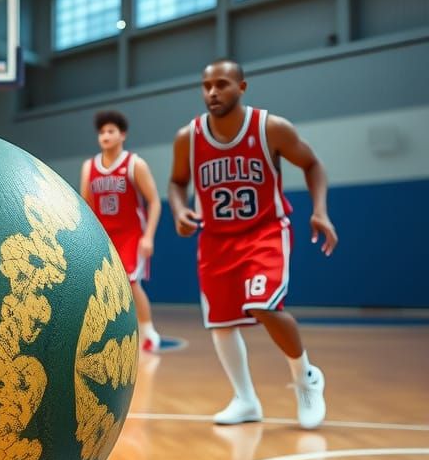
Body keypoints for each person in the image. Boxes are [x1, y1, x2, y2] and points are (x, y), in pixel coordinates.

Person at [168, 59, 337, 429]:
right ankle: (245, 400)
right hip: (214, 241)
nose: (213, 92)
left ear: (242, 87)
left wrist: (320, 211)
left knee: (264, 306)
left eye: (222, 84)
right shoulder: (189, 137)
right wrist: (179, 210)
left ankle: (306, 377)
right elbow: (177, 182)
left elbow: (312, 164)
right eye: (207, 85)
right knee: (222, 324)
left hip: (264, 233)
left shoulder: (269, 128)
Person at [80, 109, 163, 352]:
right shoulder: (89, 167)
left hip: (131, 235)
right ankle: (111, 333)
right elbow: (86, 205)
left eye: (110, 131)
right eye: (102, 132)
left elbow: (155, 201)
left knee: (130, 282)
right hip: (104, 236)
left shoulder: (134, 164)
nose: (105, 136)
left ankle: (148, 331)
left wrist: (148, 237)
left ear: (122, 135)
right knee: (101, 285)